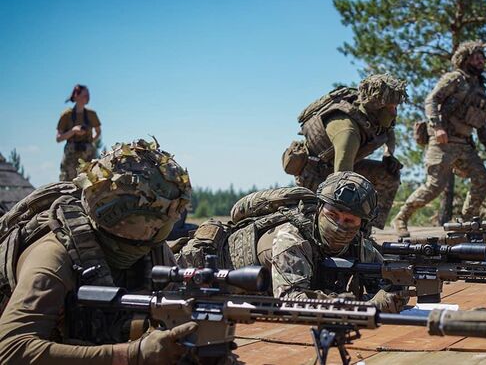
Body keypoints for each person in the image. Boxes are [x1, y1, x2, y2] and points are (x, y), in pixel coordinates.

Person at [0, 139, 195, 364]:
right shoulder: (54, 256)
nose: (173, 220)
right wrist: (132, 355)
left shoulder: (153, 250)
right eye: (164, 217)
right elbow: (10, 350)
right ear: (144, 225)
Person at [177, 172, 408, 313]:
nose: (339, 224)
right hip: (200, 276)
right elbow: (290, 300)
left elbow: (392, 280)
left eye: (349, 220)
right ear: (319, 209)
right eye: (332, 215)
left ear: (362, 225)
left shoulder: (359, 245)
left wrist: (392, 293)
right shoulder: (291, 238)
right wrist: (364, 304)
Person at [390, 41, 486, 238]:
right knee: (434, 186)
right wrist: (436, 126)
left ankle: (467, 221)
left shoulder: (480, 88)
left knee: (483, 179)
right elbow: (431, 100)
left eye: (483, 57)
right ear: (465, 59)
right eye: (477, 57)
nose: (482, 60)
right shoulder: (455, 79)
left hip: (465, 145)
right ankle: (401, 217)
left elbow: (481, 123)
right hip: (443, 142)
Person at [283, 74, 407, 232]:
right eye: (392, 107)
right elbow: (342, 183)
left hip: (342, 167)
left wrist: (388, 153)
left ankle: (365, 230)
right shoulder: (348, 132)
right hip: (316, 176)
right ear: (377, 106)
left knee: (389, 175)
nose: (395, 113)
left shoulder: (374, 118)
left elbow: (388, 131)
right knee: (320, 226)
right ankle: (350, 230)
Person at [56, 84, 102, 181]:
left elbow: (98, 132)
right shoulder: (66, 115)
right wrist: (73, 131)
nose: (88, 98)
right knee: (68, 185)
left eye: (88, 95)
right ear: (76, 96)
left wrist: (89, 142)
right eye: (85, 95)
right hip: (71, 156)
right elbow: (58, 138)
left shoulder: (91, 114)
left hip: (88, 155)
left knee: (92, 181)